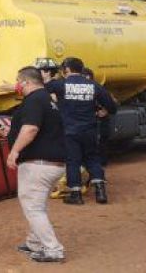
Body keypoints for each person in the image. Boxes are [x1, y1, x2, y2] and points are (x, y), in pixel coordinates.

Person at [5, 66, 67, 263]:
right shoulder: (47, 99)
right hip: (52, 163)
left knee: (33, 207)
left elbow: (31, 129)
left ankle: (53, 249)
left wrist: (14, 151)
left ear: (27, 82)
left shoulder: (34, 100)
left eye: (18, 81)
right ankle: (34, 242)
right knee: (37, 205)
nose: (17, 85)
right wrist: (11, 133)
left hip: (38, 164)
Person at [45, 57, 118, 204]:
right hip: (89, 130)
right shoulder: (93, 85)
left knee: (73, 160)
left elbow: (40, 90)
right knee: (92, 158)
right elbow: (112, 106)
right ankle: (101, 192)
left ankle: (75, 194)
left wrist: (47, 79)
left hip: (70, 130)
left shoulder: (60, 85)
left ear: (66, 70)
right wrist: (104, 111)